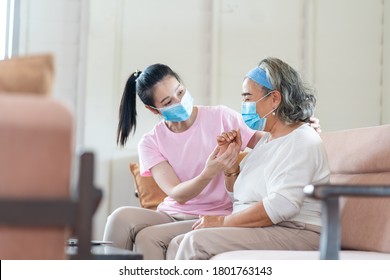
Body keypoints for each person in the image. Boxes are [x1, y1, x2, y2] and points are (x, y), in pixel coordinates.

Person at [103, 63, 321, 260]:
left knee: (148, 237)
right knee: (119, 218)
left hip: (217, 212)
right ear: (153, 109)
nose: (179, 101)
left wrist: (300, 127)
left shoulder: (222, 117)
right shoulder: (151, 141)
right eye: (168, 101)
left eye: (180, 92)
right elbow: (177, 193)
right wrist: (211, 171)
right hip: (172, 213)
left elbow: (271, 140)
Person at [166, 57, 330, 260]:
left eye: (247, 98)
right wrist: (231, 163)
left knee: (195, 242)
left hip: (298, 230)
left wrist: (221, 222)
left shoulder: (302, 139)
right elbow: (238, 196)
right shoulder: (268, 140)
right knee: (177, 243)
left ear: (275, 99)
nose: (244, 105)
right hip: (271, 226)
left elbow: (282, 205)